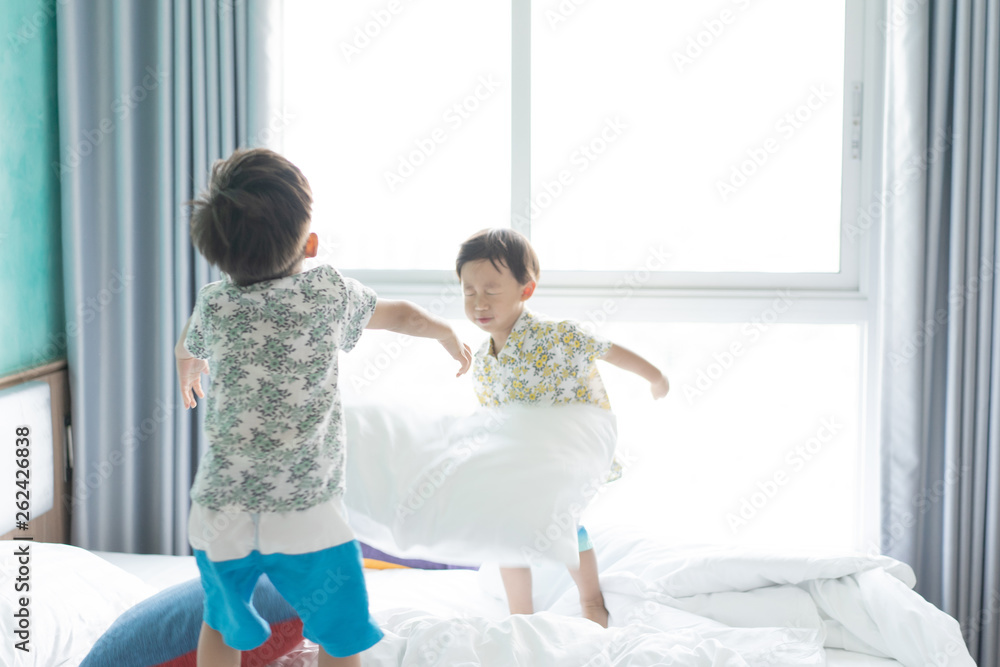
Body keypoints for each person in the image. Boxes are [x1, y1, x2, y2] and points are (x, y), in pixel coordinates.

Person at [175, 147, 472, 667]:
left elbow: (188, 343)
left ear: (218, 255)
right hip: (305, 507)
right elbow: (402, 316)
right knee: (340, 630)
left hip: (219, 509)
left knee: (220, 623)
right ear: (309, 244)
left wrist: (188, 364)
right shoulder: (324, 293)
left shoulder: (215, 303)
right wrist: (445, 331)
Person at [456, 228, 668, 628]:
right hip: (516, 461)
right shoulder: (483, 360)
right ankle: (521, 617)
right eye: (469, 292)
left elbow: (607, 350)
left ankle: (592, 601)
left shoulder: (558, 335)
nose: (479, 302)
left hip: (563, 455)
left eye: (492, 291)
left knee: (563, 525)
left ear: (526, 290)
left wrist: (655, 377)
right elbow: (492, 416)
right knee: (507, 534)